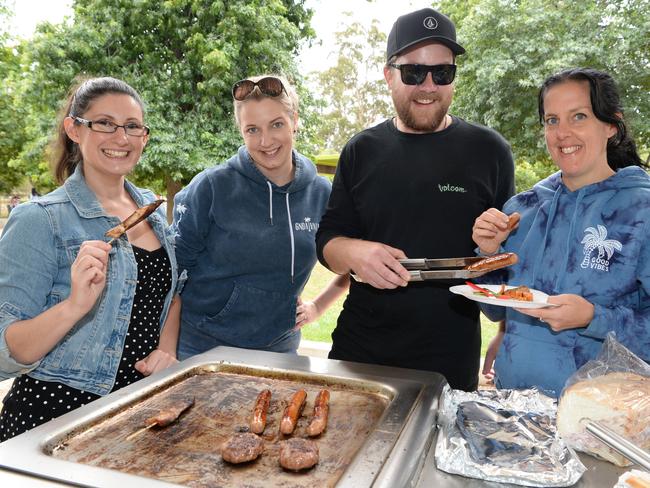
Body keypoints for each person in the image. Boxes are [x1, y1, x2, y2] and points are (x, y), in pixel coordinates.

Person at [315, 8, 515, 391]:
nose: (428, 85)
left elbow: (508, 251)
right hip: (361, 350)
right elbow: (327, 241)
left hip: (450, 356)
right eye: (413, 73)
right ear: (389, 75)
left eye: (442, 73)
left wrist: (506, 330)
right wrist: (356, 253)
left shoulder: (489, 151)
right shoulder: (361, 150)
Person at [0, 77, 181, 441]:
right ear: (74, 129)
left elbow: (174, 290)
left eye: (132, 127)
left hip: (136, 409)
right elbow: (5, 351)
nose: (121, 138)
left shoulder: (152, 210)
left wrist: (166, 349)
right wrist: (74, 306)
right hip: (54, 417)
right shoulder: (40, 219)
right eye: (105, 124)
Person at [472, 67, 650, 397]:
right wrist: (488, 254)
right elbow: (495, 309)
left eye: (578, 116)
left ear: (611, 124)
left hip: (604, 419)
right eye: (552, 120)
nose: (562, 133)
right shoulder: (521, 209)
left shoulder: (640, 210)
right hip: (517, 407)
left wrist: (593, 318)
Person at [173, 74, 348, 359]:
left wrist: (318, 307)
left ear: (295, 120)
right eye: (252, 129)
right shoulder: (211, 187)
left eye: (276, 124)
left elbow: (353, 263)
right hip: (202, 347)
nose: (265, 141)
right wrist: (165, 349)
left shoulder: (322, 194)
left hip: (280, 348)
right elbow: (171, 272)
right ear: (240, 131)